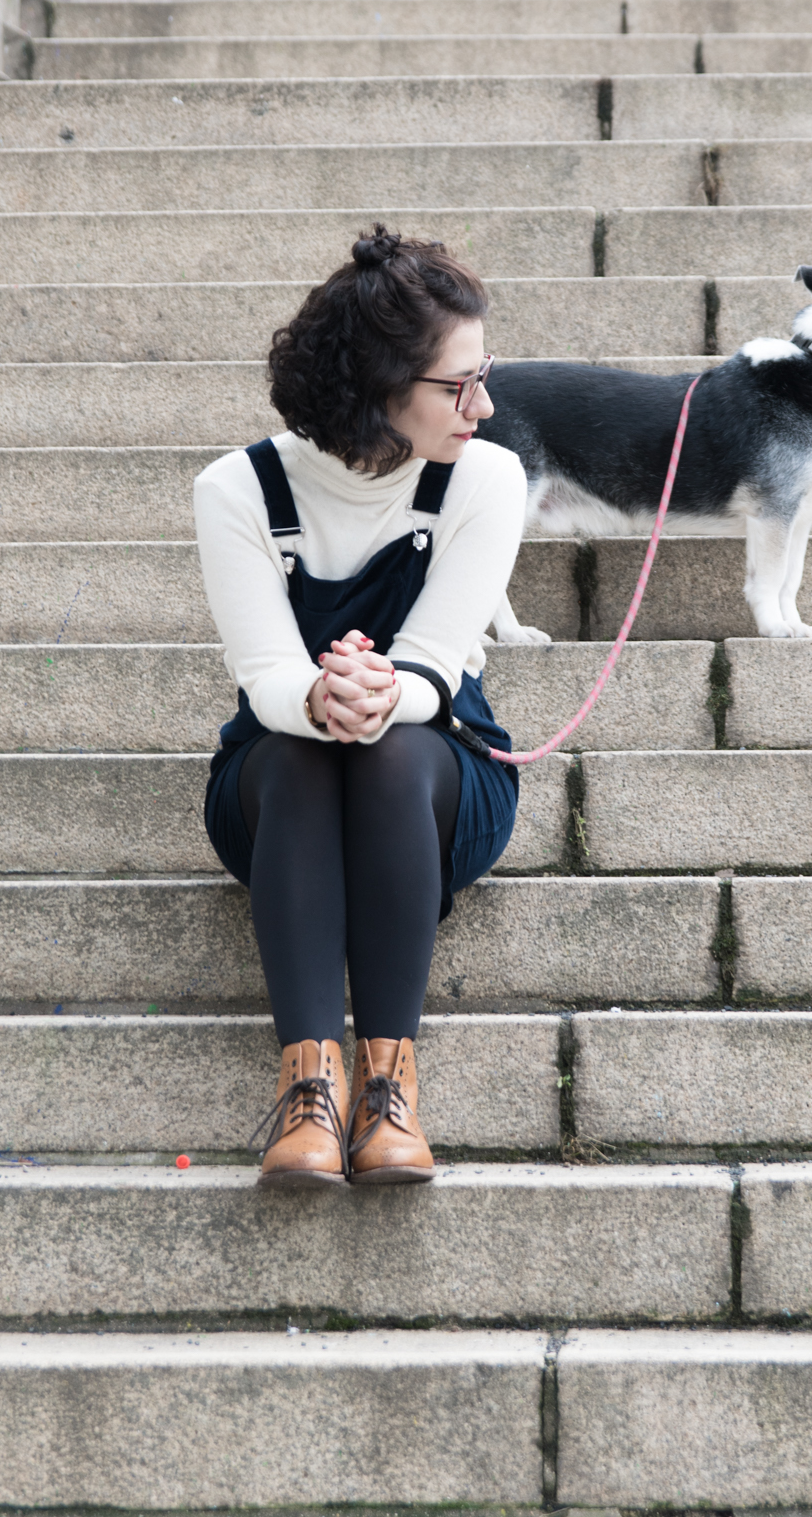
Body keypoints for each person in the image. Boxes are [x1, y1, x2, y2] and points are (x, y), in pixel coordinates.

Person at [194, 225, 526, 1188]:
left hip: (434, 782)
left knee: (385, 755)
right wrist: (317, 692)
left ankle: (388, 1093)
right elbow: (264, 677)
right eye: (457, 385)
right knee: (299, 755)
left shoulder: (484, 473)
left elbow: (434, 663)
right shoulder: (237, 490)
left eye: (483, 374)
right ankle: (309, 1093)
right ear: (379, 387)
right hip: (274, 786)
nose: (485, 404)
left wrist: (381, 691)